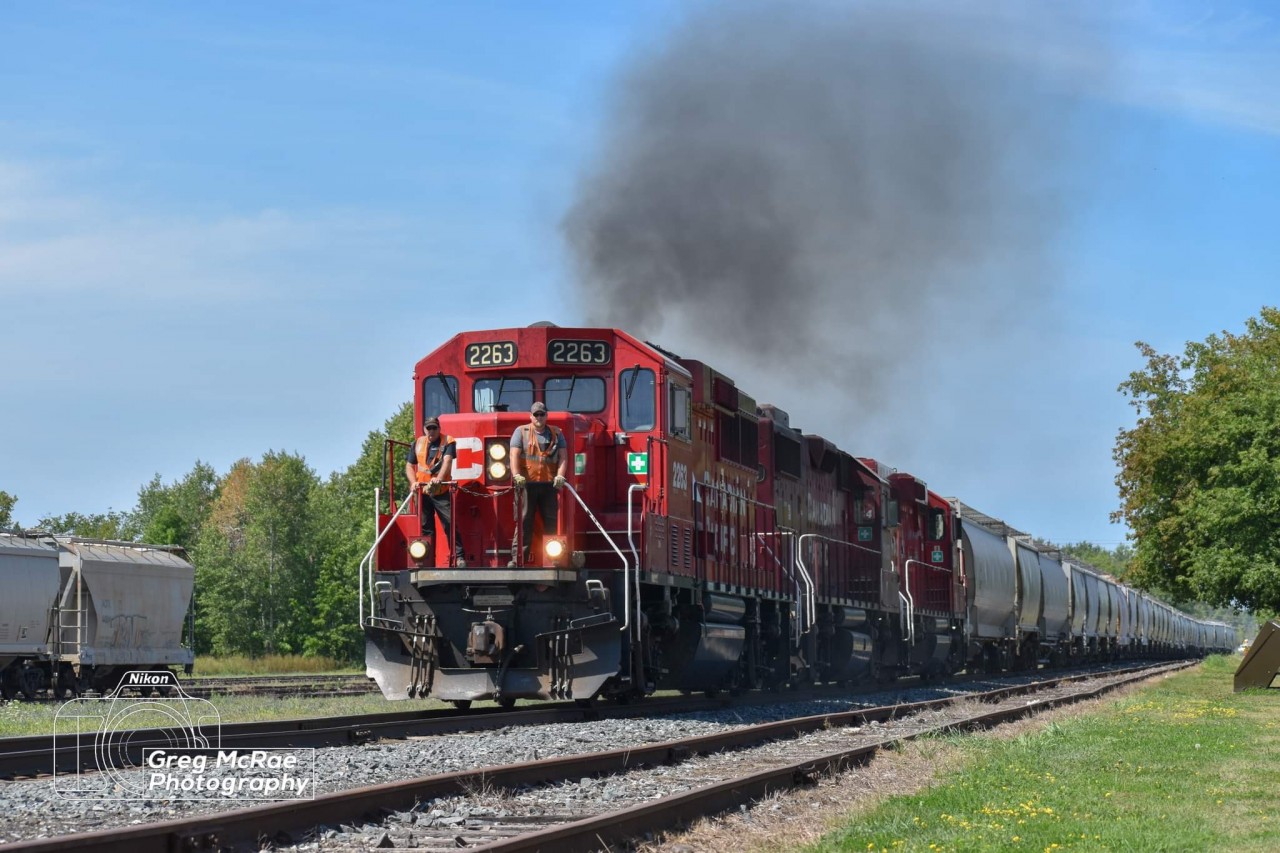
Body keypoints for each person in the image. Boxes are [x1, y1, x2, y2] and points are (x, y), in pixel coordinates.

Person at [509, 401, 568, 566]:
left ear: (546, 416)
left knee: (551, 521)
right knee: (524, 521)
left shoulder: (557, 433)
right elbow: (513, 455)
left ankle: (553, 559)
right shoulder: (521, 432)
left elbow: (563, 457)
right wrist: (516, 475)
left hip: (549, 485)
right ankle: (518, 560)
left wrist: (560, 476)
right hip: (526, 485)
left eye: (542, 414)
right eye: (536, 414)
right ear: (531, 416)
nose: (539, 417)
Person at [404, 417, 466, 567]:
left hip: (441, 491)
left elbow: (447, 461)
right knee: (426, 527)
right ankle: (427, 561)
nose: (431, 431)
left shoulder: (448, 441)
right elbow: (409, 466)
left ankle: (459, 557)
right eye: (428, 428)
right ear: (424, 429)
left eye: (434, 428)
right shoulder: (418, 443)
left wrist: (439, 479)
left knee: (449, 523)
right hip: (422, 492)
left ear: (439, 429)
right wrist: (413, 483)